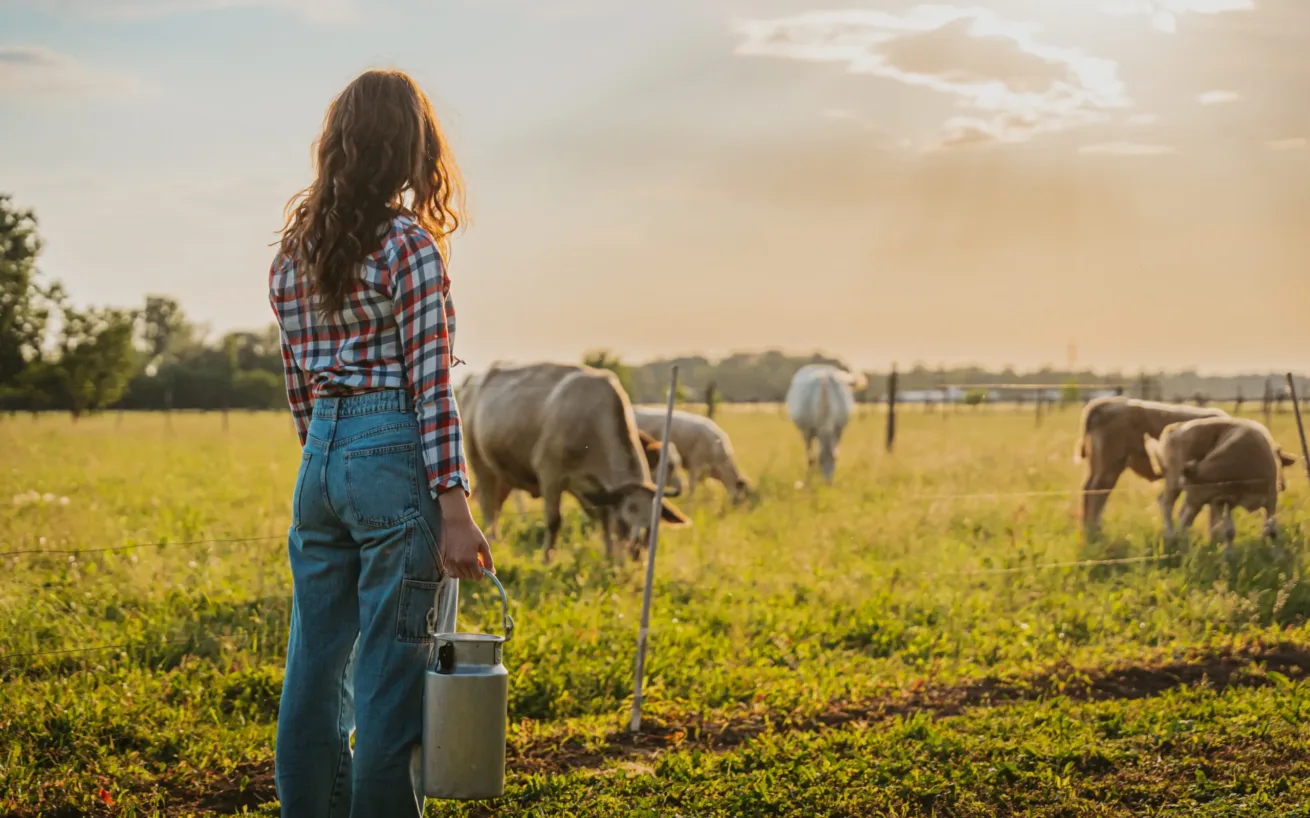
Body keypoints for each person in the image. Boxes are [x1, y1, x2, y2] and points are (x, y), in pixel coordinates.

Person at [268, 68, 494, 818]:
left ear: (337, 146)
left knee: (312, 670)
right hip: (392, 451)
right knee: (392, 680)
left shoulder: (290, 255)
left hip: (320, 462)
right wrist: (454, 508)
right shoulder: (409, 246)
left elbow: (301, 386)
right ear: (411, 151)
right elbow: (431, 385)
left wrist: (328, 467)